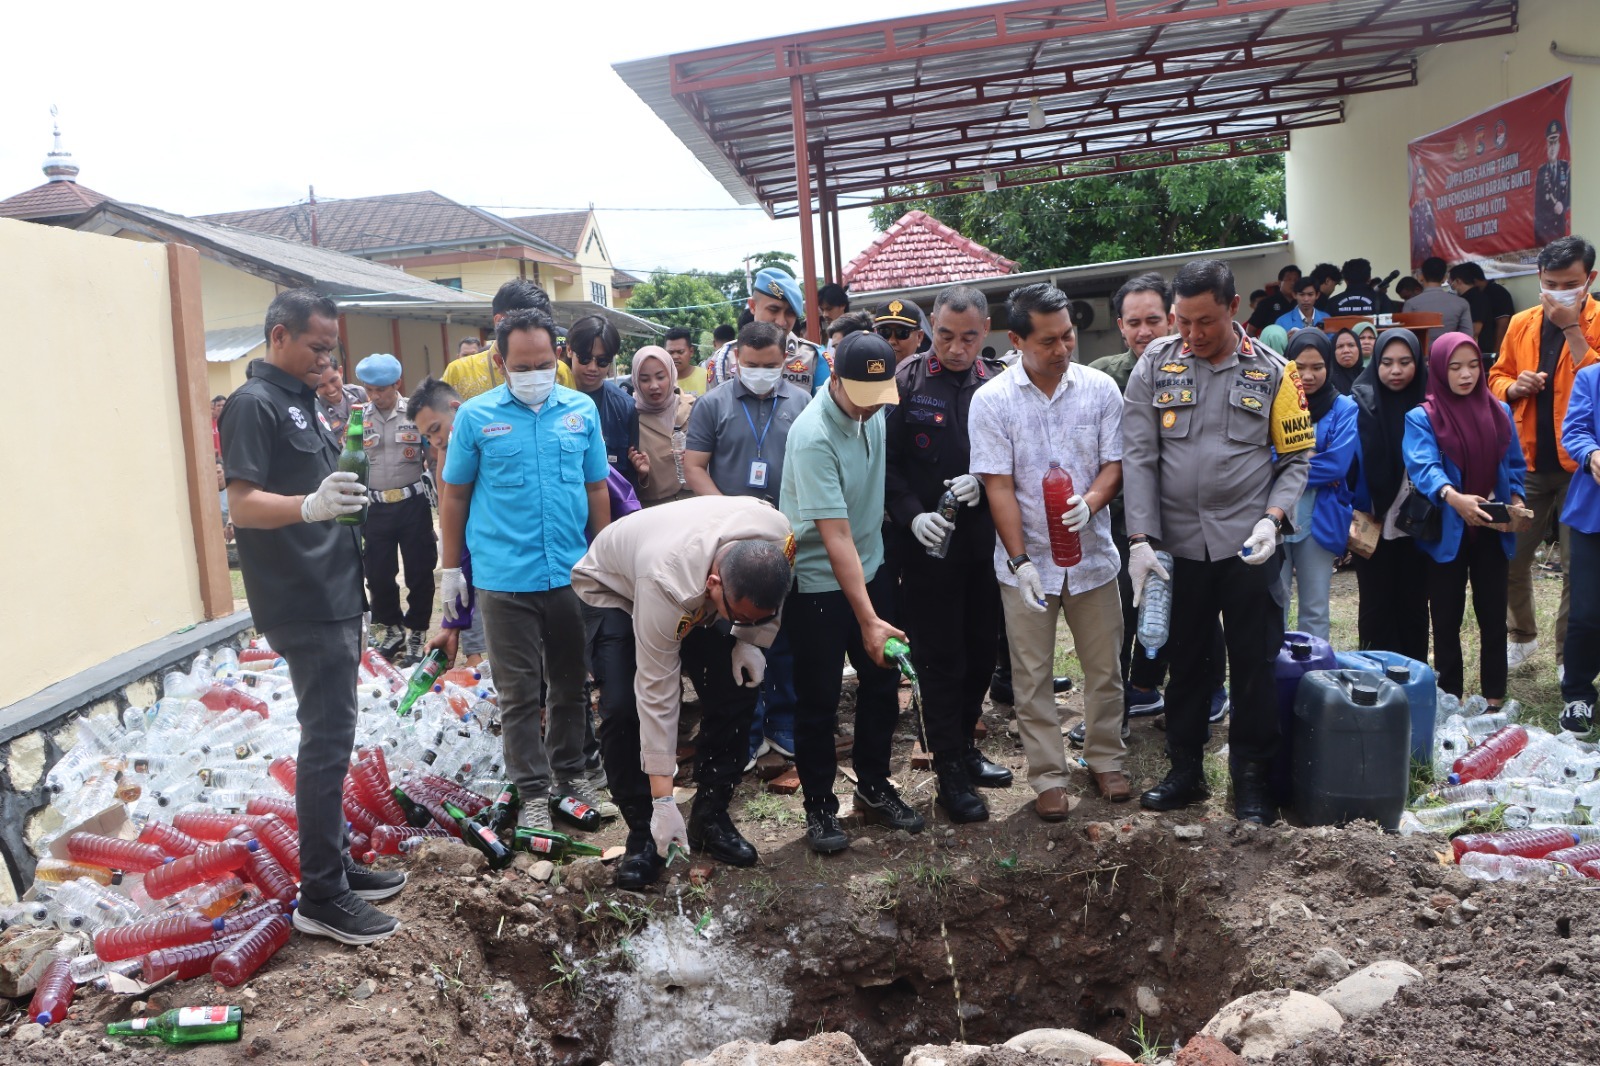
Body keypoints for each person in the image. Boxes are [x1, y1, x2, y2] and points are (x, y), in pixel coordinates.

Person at [219, 288, 405, 945]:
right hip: (302, 596)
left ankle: (335, 864)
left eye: (332, 348)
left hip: (334, 589)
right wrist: (309, 507)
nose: (327, 360)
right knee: (324, 742)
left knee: (335, 738)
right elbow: (242, 505)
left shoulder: (303, 402)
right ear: (278, 336)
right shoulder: (254, 404)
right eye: (316, 347)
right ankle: (322, 895)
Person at [1123, 259, 1312, 824]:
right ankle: (1185, 771)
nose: (1192, 334)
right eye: (1182, 321)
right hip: (1178, 547)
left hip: (1247, 545)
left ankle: (1252, 780)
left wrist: (1273, 519)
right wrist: (1140, 538)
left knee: (1254, 663)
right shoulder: (1156, 364)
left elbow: (1297, 458)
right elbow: (1139, 455)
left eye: (1205, 321)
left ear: (1233, 308)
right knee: (1186, 660)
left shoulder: (1276, 373)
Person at [438, 307, 612, 833]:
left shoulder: (580, 410)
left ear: (557, 356)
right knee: (518, 695)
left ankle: (570, 777)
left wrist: (606, 557)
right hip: (504, 580)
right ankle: (533, 792)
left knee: (570, 686)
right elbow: (455, 495)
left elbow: (596, 486)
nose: (534, 374)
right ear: (500, 361)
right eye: (522, 366)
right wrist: (450, 570)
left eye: (543, 364)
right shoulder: (476, 418)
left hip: (569, 575)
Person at [572, 496, 793, 886]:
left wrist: (750, 639)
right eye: (739, 616)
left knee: (737, 688)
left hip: (693, 579)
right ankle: (644, 830)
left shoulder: (779, 538)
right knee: (624, 708)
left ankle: (710, 816)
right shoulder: (667, 582)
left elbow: (770, 602)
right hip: (617, 587)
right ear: (714, 585)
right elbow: (657, 692)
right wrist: (663, 798)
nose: (744, 622)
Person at [970, 283, 1129, 817]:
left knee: (1104, 667)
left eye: (1067, 336)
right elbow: (998, 486)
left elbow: (1115, 463)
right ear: (1016, 340)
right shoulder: (992, 400)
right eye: (1048, 341)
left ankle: (1105, 757)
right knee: (1031, 674)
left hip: (1093, 558)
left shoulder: (1100, 389)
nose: (1062, 349)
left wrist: (1092, 501)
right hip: (1028, 562)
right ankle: (1047, 776)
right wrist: (1019, 561)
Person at [779, 331, 920, 853]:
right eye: (861, 397)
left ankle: (874, 785)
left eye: (877, 399)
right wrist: (868, 620)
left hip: (872, 564)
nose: (869, 409)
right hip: (818, 580)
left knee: (881, 682)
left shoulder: (873, 409)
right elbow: (835, 537)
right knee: (818, 699)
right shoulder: (812, 435)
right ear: (834, 378)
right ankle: (819, 805)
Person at [884, 286, 1012, 823]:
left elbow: (1016, 454)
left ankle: (963, 744)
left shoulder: (999, 383)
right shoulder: (905, 382)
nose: (956, 349)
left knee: (981, 652)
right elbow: (884, 463)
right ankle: (948, 770)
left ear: (986, 332)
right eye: (944, 336)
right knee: (941, 658)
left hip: (985, 543)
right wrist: (912, 514)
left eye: (969, 338)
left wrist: (984, 482)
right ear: (930, 326)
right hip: (927, 547)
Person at [1086, 273, 1228, 729]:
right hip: (1121, 517)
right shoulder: (1102, 377)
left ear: (1171, 318)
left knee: (1192, 607)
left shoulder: (1200, 364)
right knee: (1125, 609)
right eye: (1133, 322)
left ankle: (1210, 691)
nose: (1144, 331)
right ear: (1120, 326)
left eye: (1153, 320)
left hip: (1184, 517)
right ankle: (1136, 694)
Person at [682, 321, 810, 765]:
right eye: (751, 364)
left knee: (782, 633)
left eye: (770, 365)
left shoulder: (802, 403)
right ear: (736, 359)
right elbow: (694, 466)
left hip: (784, 536)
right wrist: (730, 516)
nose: (760, 372)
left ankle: (783, 723)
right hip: (729, 539)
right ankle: (748, 730)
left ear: (785, 359)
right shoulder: (713, 404)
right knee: (734, 631)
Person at [1489, 236, 1600, 672]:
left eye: (1570, 284)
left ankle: (1567, 656)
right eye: (1551, 283)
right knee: (1511, 552)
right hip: (1529, 460)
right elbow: (1496, 377)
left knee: (1577, 568)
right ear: (1539, 277)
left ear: (1589, 279)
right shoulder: (1521, 323)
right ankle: (1522, 634)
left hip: (1584, 468)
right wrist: (1514, 387)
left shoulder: (1597, 320)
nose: (1559, 291)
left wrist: (1572, 327)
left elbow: (1597, 381)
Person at [1404, 333, 1525, 706]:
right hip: (1448, 528)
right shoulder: (1423, 416)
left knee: (1493, 614)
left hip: (1491, 527)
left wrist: (1516, 501)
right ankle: (1450, 696)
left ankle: (1494, 697)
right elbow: (1423, 465)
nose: (1466, 375)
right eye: (1455, 367)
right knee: (1446, 616)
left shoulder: (1499, 411)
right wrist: (1453, 497)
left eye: (1473, 366)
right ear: (1440, 370)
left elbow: (1514, 466)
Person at [1350, 329, 1432, 662]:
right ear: (1375, 363)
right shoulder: (1358, 402)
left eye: (1404, 362)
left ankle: (1414, 672)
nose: (1395, 370)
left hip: (1419, 519)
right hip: (1371, 517)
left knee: (1414, 601)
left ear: (1418, 363)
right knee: (1375, 601)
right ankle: (1373, 673)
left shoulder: (1431, 402)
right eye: (1386, 362)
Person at [351, 354, 435, 665]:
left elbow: (433, 455)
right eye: (369, 389)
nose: (375, 396)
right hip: (376, 507)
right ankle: (392, 628)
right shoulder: (359, 418)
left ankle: (417, 630)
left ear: (397, 383)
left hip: (412, 504)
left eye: (381, 390)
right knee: (377, 574)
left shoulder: (416, 412)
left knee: (419, 571)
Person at [1277, 332, 1358, 641]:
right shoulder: (1276, 403)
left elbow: (1337, 465)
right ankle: (1274, 668)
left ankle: (1316, 669)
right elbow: (1260, 458)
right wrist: (1310, 457)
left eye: (1317, 367)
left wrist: (1287, 460)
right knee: (1275, 604)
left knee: (1315, 609)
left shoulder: (1344, 407)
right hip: (1273, 518)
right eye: (1299, 367)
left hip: (1319, 520)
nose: (1308, 376)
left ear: (1329, 366)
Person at [404, 378, 488, 670]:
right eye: (427, 436)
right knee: (465, 586)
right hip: (473, 540)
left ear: (455, 408)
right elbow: (448, 506)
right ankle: (475, 655)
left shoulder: (494, 431)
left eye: (436, 429)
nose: (435, 441)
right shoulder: (446, 451)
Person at [441, 280, 573, 400]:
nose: (532, 331)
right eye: (522, 324)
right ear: (499, 321)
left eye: (540, 323)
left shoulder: (560, 372)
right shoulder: (460, 372)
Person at [705, 268, 830, 393]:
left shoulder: (814, 358)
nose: (781, 322)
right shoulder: (723, 360)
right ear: (753, 306)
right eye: (773, 310)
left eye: (790, 313)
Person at [1558, 359, 1600, 731]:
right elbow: (1574, 430)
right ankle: (1578, 696)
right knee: (1585, 612)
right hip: (1592, 516)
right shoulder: (1591, 377)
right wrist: (1591, 454)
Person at [566, 315, 638, 485]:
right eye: (585, 358)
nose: (592, 368)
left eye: (602, 361)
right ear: (569, 350)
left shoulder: (625, 407)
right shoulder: (549, 401)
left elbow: (630, 477)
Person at [628, 345, 697, 506]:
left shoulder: (695, 408)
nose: (654, 385)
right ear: (635, 381)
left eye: (660, 377)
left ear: (671, 375)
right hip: (655, 510)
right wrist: (641, 475)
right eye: (645, 379)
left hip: (696, 503)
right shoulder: (629, 416)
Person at [1449, 262, 1515, 361]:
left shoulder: (1487, 295)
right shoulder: (1473, 297)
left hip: (1486, 351)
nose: (1452, 287)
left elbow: (1500, 325)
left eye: (1451, 283)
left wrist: (1496, 354)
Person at [1403, 257, 1474, 337]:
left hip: (1421, 345)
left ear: (1421, 276)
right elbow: (1468, 336)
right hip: (1450, 345)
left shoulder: (1411, 304)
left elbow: (1406, 337)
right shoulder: (1462, 303)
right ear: (1445, 278)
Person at [1535, 119, 1571, 247]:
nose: (1552, 148)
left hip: (1560, 230)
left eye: (1555, 143)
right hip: (1545, 232)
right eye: (1550, 144)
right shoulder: (1541, 172)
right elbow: (1538, 208)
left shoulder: (1565, 168)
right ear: (1546, 145)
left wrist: (1563, 204)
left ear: (1559, 146)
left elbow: (1570, 195)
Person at [315, 366, 367, 441]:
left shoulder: (358, 393)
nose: (331, 389)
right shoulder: (317, 411)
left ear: (340, 372)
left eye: (333, 380)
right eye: (321, 386)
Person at [1247, 264, 1300, 335]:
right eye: (1289, 279)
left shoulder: (1301, 302)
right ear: (1279, 283)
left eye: (1296, 280)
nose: (1292, 283)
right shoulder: (1267, 303)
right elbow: (1250, 329)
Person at [664, 327, 707, 397]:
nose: (675, 356)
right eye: (670, 352)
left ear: (691, 352)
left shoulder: (706, 377)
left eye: (680, 352)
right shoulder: (659, 380)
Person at [1328, 327, 1365, 395]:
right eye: (1340, 346)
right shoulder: (1327, 381)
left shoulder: (1369, 377)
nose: (1346, 351)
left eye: (1351, 345)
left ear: (1359, 349)